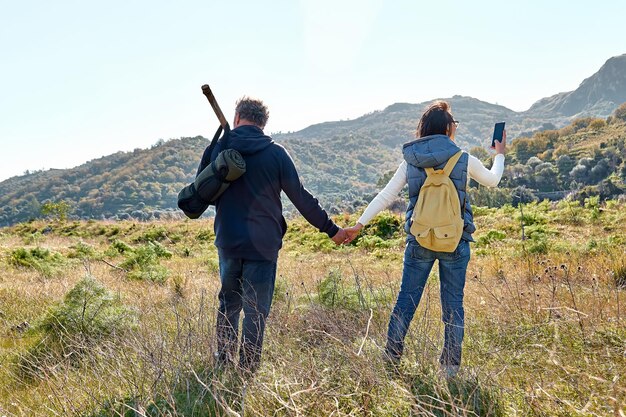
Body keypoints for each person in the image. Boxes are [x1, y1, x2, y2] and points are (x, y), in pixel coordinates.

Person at [344, 101, 506, 377]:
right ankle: (450, 368)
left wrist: (359, 224)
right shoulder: (464, 159)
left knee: (406, 300)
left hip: (419, 240)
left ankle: (392, 357)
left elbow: (386, 196)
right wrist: (499, 154)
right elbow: (492, 180)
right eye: (454, 123)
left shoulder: (410, 161)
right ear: (447, 129)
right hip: (455, 241)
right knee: (453, 304)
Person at [199, 97, 347, 375]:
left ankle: (223, 362)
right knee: (256, 310)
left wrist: (216, 150)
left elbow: (201, 192)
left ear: (237, 116)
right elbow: (301, 198)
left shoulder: (220, 147)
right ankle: (248, 369)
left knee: (229, 303)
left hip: (228, 241)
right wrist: (332, 230)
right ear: (264, 123)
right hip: (264, 246)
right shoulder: (276, 153)